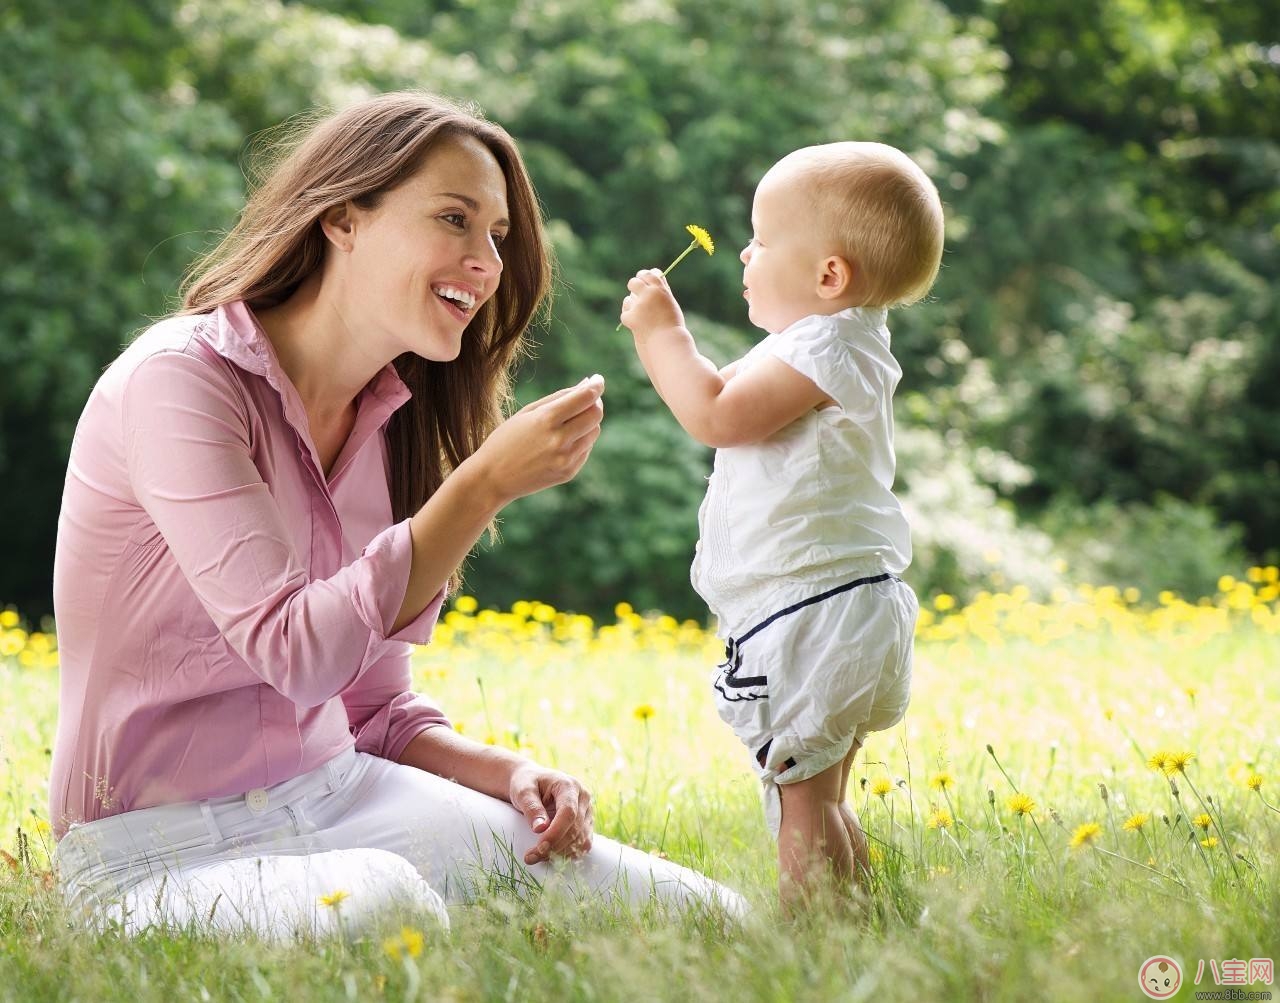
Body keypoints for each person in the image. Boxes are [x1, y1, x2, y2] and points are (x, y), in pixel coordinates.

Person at [50, 91, 745, 940]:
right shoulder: (179, 382)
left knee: (711, 921)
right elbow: (295, 651)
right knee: (384, 904)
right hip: (155, 852)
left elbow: (369, 707)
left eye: (496, 235)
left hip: (342, 796)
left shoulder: (388, 421)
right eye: (455, 218)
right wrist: (480, 486)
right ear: (343, 218)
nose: (486, 260)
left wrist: (505, 770)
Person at [619, 142, 943, 908]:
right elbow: (729, 389)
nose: (744, 251)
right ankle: (857, 921)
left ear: (829, 275)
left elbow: (714, 413)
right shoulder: (832, 343)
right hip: (846, 608)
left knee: (804, 800)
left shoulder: (829, 344)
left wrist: (661, 333)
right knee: (822, 795)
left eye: (762, 240)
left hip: (814, 610)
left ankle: (811, 941)